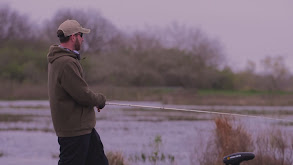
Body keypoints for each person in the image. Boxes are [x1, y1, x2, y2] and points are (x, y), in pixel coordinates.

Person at [47, 19, 108, 165]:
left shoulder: (62, 59)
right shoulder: (66, 62)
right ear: (73, 37)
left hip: (83, 127)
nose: (83, 39)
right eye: (81, 35)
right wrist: (100, 100)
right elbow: (82, 95)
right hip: (74, 130)